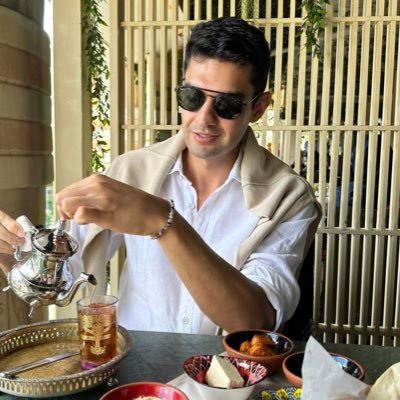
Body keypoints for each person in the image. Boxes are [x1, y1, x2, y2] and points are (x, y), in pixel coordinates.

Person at [0, 17, 321, 335]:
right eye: (192, 97)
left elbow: (254, 322)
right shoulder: (132, 171)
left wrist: (164, 222)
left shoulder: (287, 196)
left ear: (258, 108)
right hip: (133, 361)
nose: (204, 119)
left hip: (224, 367)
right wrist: (19, 255)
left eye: (227, 105)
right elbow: (63, 275)